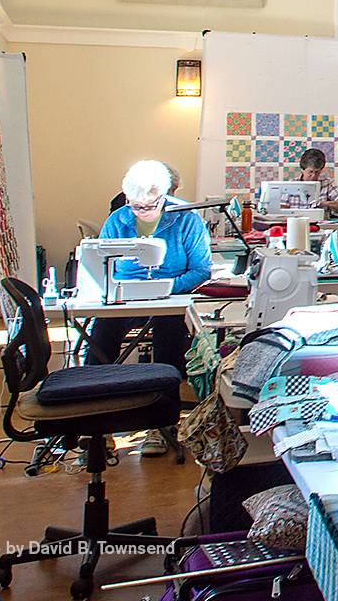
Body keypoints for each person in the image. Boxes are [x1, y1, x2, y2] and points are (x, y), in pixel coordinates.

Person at [88, 160, 212, 455]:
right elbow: (102, 265)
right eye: (135, 206)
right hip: (127, 295)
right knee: (101, 333)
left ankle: (162, 423)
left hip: (171, 296)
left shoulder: (186, 219)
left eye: (149, 206)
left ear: (165, 196)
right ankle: (94, 422)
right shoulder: (118, 221)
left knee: (169, 336)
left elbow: (201, 269)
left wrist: (168, 288)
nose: (141, 212)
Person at [298, 148, 338, 215]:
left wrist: (324, 203)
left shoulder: (326, 183)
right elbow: (282, 207)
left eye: (317, 172)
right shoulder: (291, 185)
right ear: (302, 170)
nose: (314, 176)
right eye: (310, 172)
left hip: (320, 223)